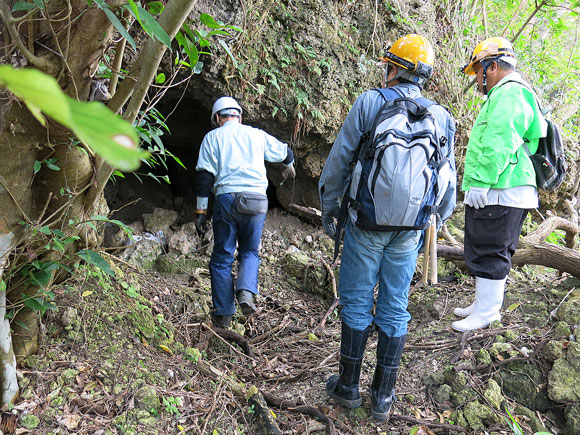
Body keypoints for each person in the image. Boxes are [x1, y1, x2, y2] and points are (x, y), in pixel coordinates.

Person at [319, 34, 457, 420]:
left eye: (388, 65)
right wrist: (438, 217)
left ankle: (348, 388)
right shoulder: (442, 116)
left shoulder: (370, 103)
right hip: (411, 227)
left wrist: (330, 209)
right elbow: (447, 177)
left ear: (394, 68)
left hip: (367, 220)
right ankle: (383, 397)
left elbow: (340, 161)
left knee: (358, 299)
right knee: (396, 305)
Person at [452, 37, 547, 332]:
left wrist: (480, 181)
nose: (478, 79)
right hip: (501, 187)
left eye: (479, 70)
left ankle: (489, 312)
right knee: (485, 245)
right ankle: (483, 303)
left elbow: (499, 141)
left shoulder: (509, 94)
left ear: (491, 67)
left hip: (503, 189)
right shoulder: (508, 94)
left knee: (492, 249)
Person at [195, 96, 295, 328]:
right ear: (239, 116)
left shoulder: (212, 137)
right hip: (257, 201)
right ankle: (246, 293)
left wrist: (201, 212)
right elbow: (284, 153)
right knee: (250, 251)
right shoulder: (256, 134)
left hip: (227, 199)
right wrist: (289, 164)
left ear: (217, 118)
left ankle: (224, 315)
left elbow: (204, 177)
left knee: (222, 258)